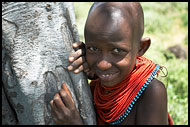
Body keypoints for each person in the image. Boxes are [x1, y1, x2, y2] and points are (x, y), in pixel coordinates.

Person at [49, 2, 173, 125]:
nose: (103, 64)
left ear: (141, 48)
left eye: (117, 51)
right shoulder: (96, 85)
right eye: (93, 48)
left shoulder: (151, 92)